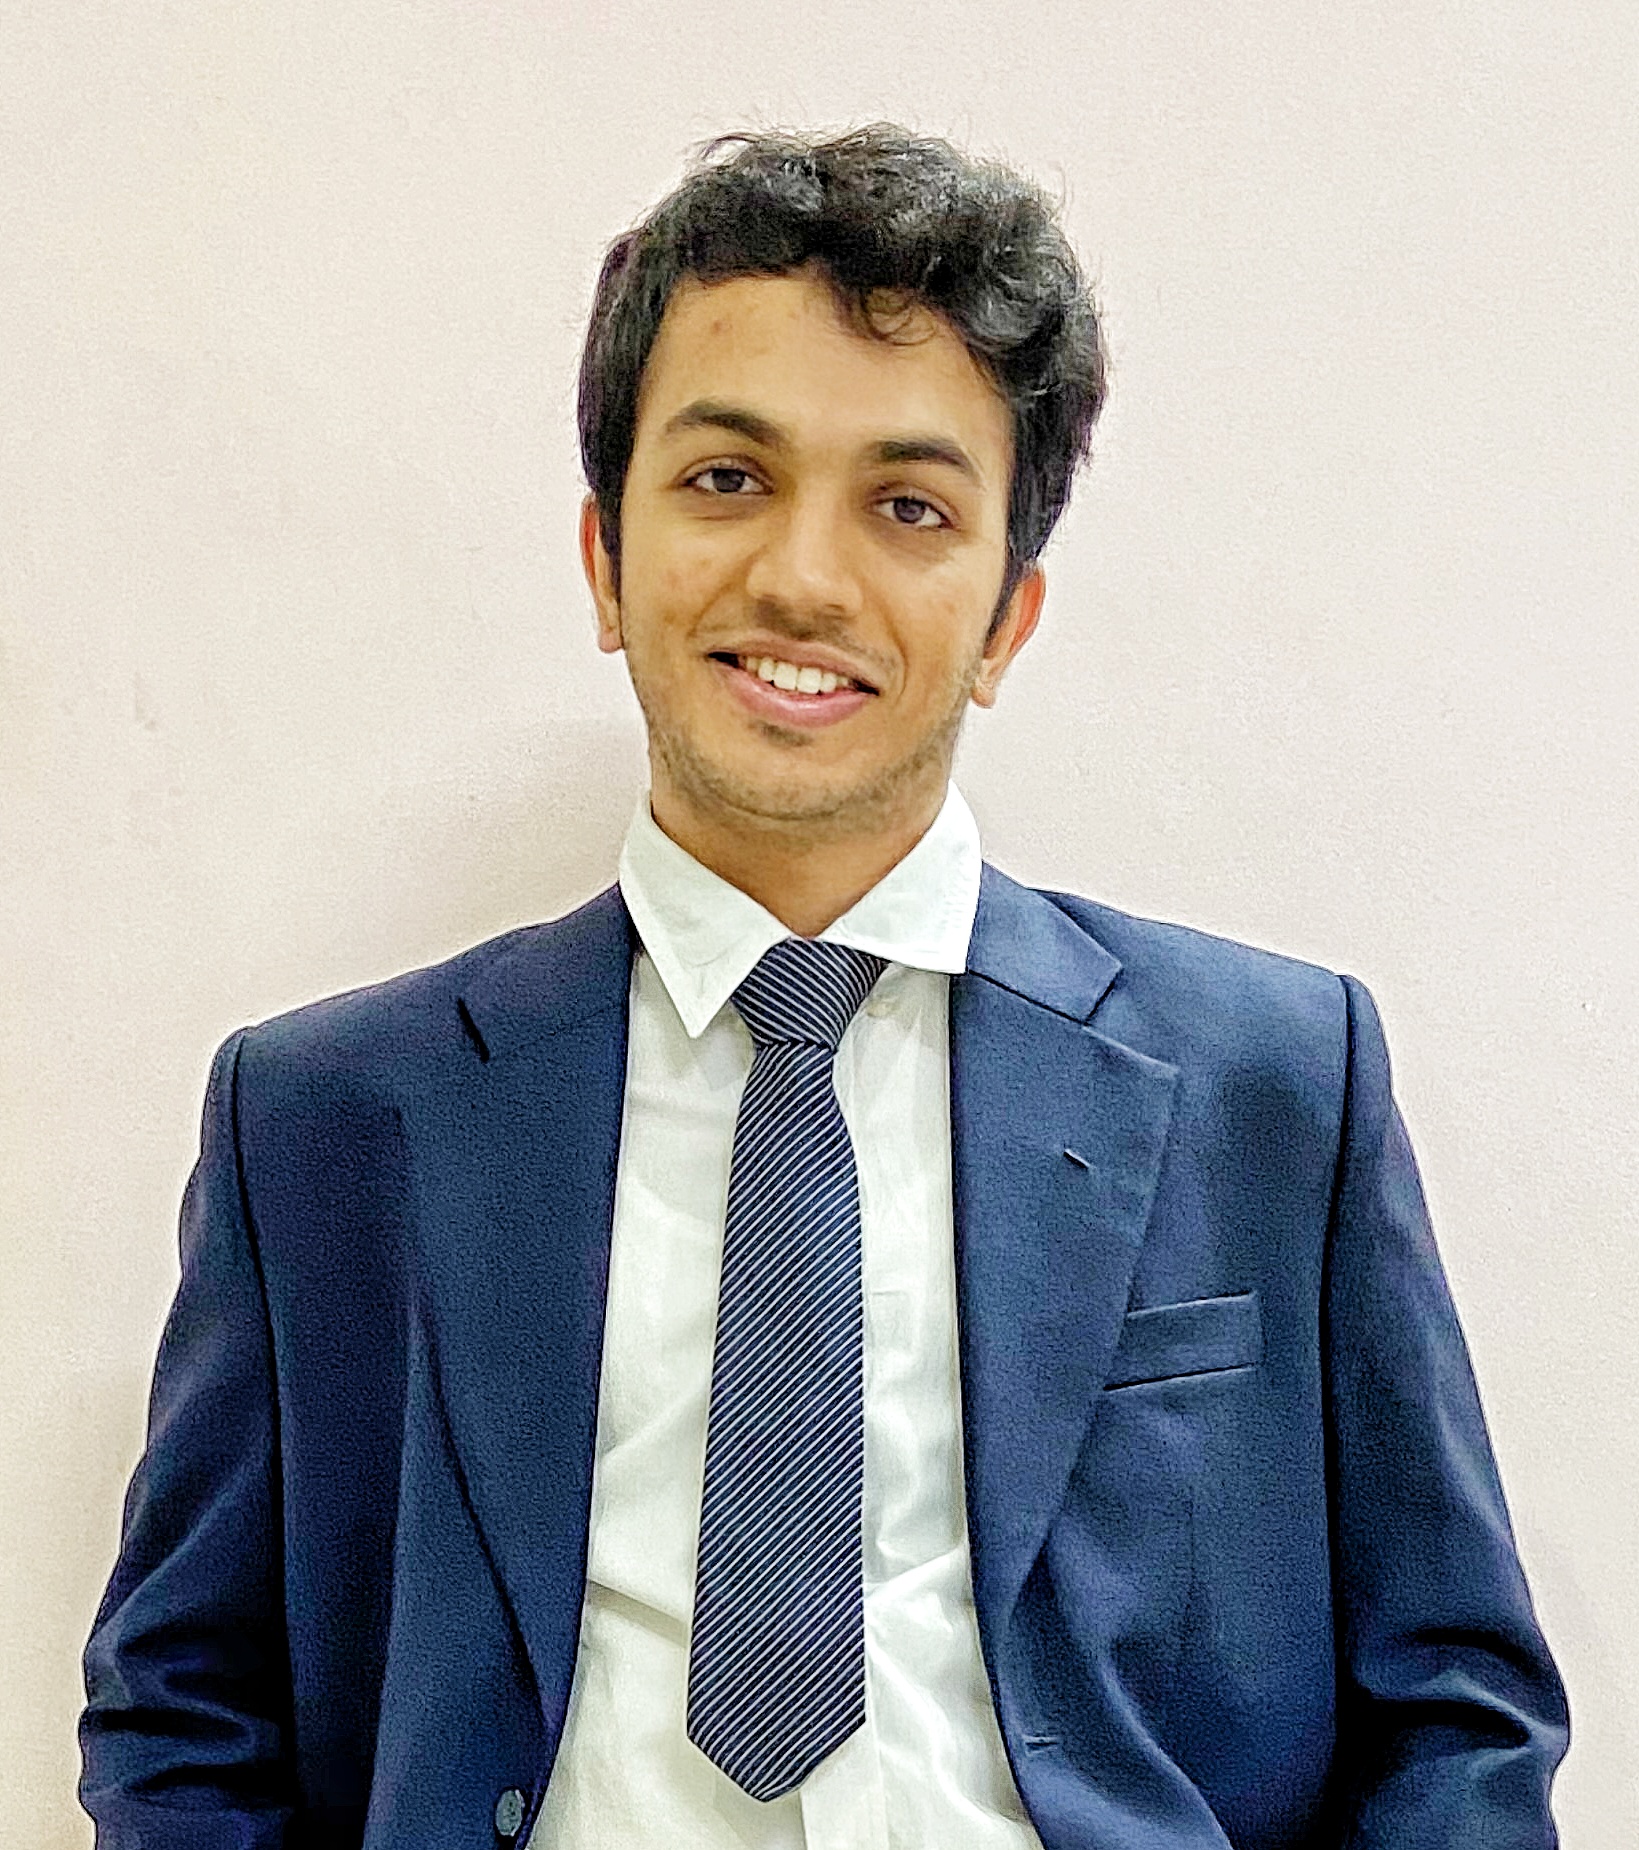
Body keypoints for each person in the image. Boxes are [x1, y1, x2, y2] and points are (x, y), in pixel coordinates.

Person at [78, 123, 1569, 1850]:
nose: (801, 576)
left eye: (910, 507)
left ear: (1006, 618)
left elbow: (1455, 1707)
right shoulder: (324, 1119)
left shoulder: (1279, 1082)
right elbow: (184, 1711)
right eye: (726, 478)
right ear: (604, 561)